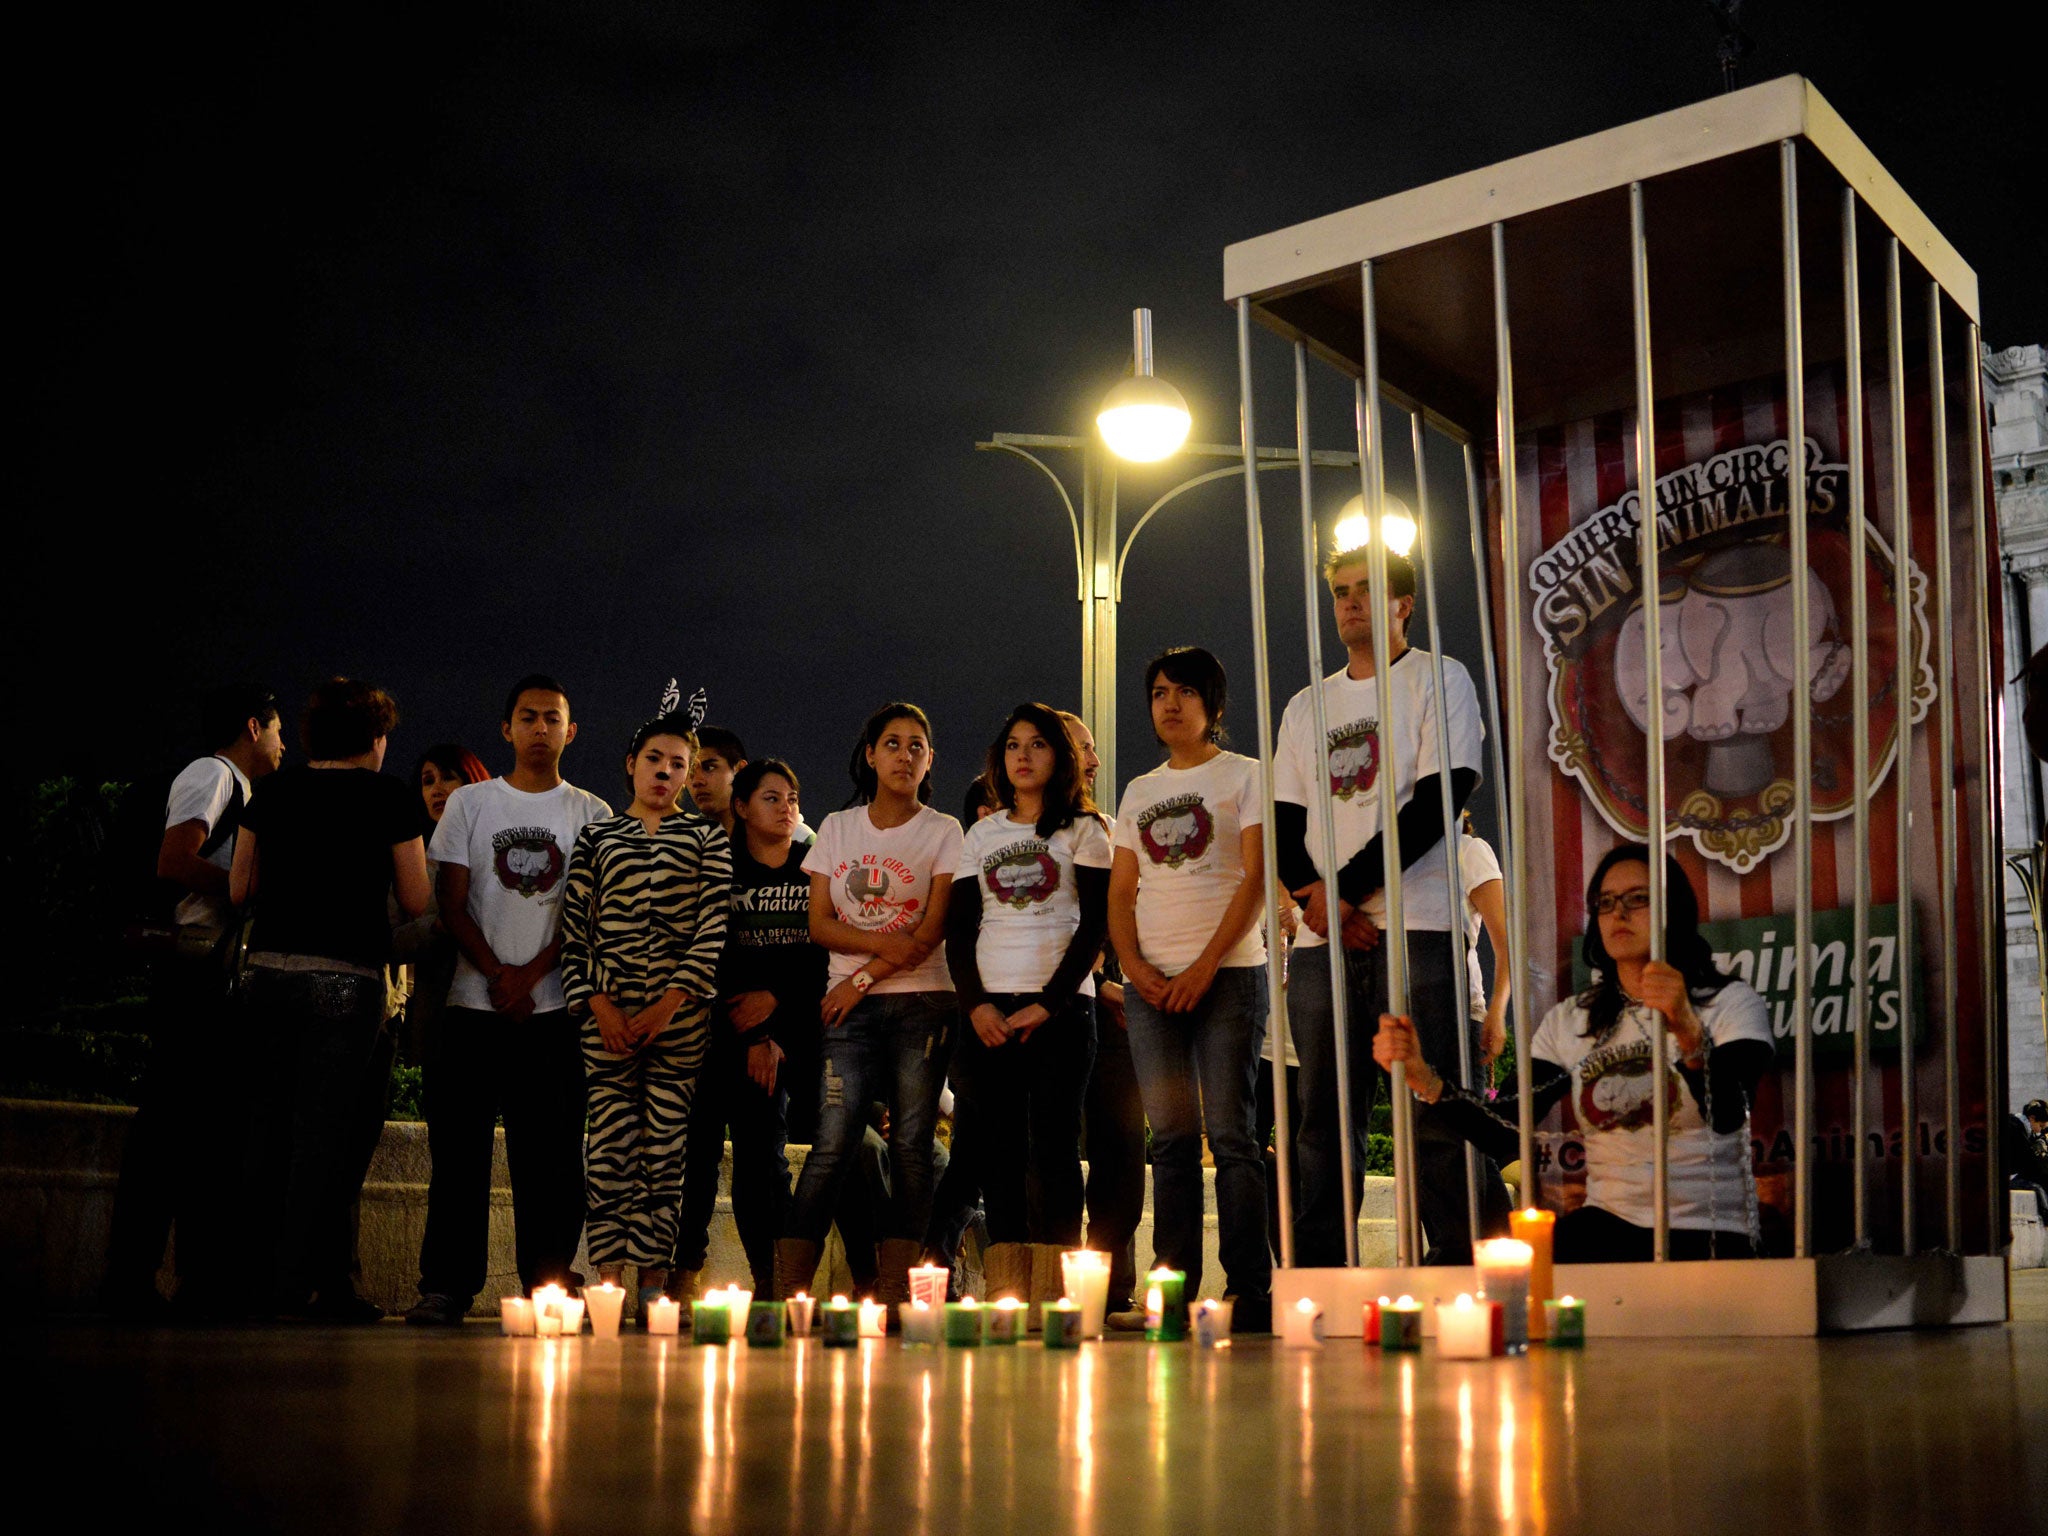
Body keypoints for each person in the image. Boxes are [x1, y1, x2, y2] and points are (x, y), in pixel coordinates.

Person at [1373, 842, 1775, 1261]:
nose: (1618, 913)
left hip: (1709, 1231)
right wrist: (1426, 1080)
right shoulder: (1574, 1022)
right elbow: (1504, 1123)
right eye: (1606, 903)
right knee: (1457, 1264)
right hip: (1608, 1225)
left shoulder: (1728, 1003)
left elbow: (1728, 1113)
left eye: (1637, 899)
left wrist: (1688, 1030)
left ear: (1673, 909)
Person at [1275, 544, 1491, 1265]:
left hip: (1419, 924)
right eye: (1340, 591)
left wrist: (1342, 893)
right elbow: (1282, 823)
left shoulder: (1440, 678)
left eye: (1368, 590)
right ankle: (1321, 1280)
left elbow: (1441, 797)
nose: (1351, 603)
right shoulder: (1307, 705)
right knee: (1321, 1126)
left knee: (1435, 1115)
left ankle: (1462, 1269)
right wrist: (1318, 901)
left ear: (1404, 603)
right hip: (1322, 943)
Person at [405, 675, 612, 1326]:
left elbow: (588, 912)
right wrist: (497, 972)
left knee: (549, 1162)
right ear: (507, 729)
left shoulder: (591, 813)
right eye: (529, 717)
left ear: (571, 731)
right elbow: (451, 897)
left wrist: (529, 977)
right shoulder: (471, 805)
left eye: (554, 718)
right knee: (459, 1157)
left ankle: (549, 1289)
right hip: (471, 1008)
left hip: (552, 1015)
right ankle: (446, 1287)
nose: (541, 728)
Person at [231, 678, 430, 1319]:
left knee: (264, 1125)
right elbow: (418, 899)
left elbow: (241, 889)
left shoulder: (273, 791)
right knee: (325, 1138)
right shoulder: (389, 798)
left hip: (265, 975)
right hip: (347, 980)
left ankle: (253, 1280)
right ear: (374, 738)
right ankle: (305, 1282)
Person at [103, 687, 285, 1319]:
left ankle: (190, 1279)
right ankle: (131, 1278)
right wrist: (246, 892)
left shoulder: (242, 787)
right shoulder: (213, 774)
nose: (283, 745)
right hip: (194, 975)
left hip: (212, 976)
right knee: (172, 1129)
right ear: (252, 727)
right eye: (277, 731)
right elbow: (174, 859)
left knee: (204, 1133)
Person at [776, 703, 962, 1309]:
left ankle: (896, 1292)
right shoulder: (837, 827)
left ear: (929, 759)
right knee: (833, 1143)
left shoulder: (943, 832)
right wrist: (883, 950)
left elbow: (930, 935)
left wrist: (860, 980)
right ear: (871, 755)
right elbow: (821, 924)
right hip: (847, 1016)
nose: (904, 755)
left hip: (921, 1003)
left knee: (911, 1142)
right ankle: (788, 1289)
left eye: (917, 746)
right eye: (893, 743)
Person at [1109, 647, 1272, 1330]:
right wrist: (1135, 969)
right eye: (1157, 692)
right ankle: (1170, 1290)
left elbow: (1257, 877)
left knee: (1232, 1134)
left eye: (1183, 691)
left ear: (1214, 703)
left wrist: (1206, 964)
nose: (1169, 703)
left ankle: (1250, 1293)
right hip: (1151, 984)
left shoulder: (1245, 775)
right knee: (1170, 1138)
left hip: (1228, 977)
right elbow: (1122, 892)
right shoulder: (1140, 791)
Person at [562, 710, 732, 1315]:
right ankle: (607, 1279)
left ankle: (654, 1285)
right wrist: (598, 1004)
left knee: (666, 1149)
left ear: (688, 776)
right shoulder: (598, 838)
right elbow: (575, 929)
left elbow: (714, 927)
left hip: (680, 1020)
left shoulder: (706, 838)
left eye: (678, 764)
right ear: (631, 763)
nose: (665, 771)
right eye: (655, 759)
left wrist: (669, 1003)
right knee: (607, 1146)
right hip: (604, 1018)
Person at [945, 703, 1110, 1292]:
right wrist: (977, 1007)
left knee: (1057, 1149)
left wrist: (1051, 1002)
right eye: (1013, 744)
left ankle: (1056, 1288)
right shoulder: (982, 833)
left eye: (1037, 744)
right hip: (989, 1012)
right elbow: (960, 929)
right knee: (999, 1150)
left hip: (1061, 1012)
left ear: (1059, 757)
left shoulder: (1085, 829)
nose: (1023, 755)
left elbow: (1095, 926)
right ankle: (1010, 1283)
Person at [671, 758, 825, 1300]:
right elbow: (711, 952)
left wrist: (775, 1015)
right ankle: (683, 1272)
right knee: (698, 1153)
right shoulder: (719, 866)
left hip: (787, 1037)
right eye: (771, 798)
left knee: (765, 1159)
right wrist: (752, 1036)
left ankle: (773, 1278)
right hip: (718, 1033)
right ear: (741, 807)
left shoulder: (813, 867)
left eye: (791, 797)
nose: (786, 808)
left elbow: (821, 956)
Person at [1058, 710, 1148, 1321]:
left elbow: (1123, 920)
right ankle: (1057, 1278)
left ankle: (1112, 1285)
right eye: (1082, 748)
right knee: (1055, 1149)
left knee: (1120, 1153)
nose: (1094, 759)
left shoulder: (1111, 830)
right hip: (1055, 1014)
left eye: (1092, 747)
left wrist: (1122, 985)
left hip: (1114, 1020)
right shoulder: (1016, 833)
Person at [687, 726, 749, 836]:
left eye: (709, 768)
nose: (697, 781)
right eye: (689, 771)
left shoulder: (782, 836)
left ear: (740, 770)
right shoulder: (683, 845)